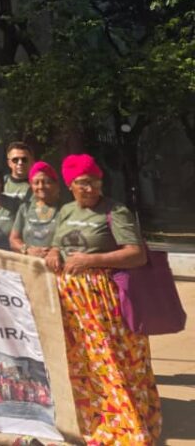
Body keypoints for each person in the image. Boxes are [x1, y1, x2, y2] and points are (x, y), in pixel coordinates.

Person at [45, 154, 160, 444]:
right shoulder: (66, 211)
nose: (91, 188)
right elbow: (57, 244)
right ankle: (91, 420)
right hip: (72, 302)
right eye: (83, 182)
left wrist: (91, 260)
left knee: (114, 360)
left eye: (95, 181)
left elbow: (136, 254)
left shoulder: (115, 211)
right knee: (83, 363)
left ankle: (125, 423)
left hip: (103, 299)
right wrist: (53, 252)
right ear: (70, 185)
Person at [9, 161, 62, 257]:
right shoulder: (25, 209)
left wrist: (55, 251)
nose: (41, 186)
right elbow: (13, 240)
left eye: (46, 182)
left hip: (55, 263)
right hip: (29, 263)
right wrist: (27, 250)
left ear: (56, 184)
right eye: (36, 183)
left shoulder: (65, 210)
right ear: (31, 186)